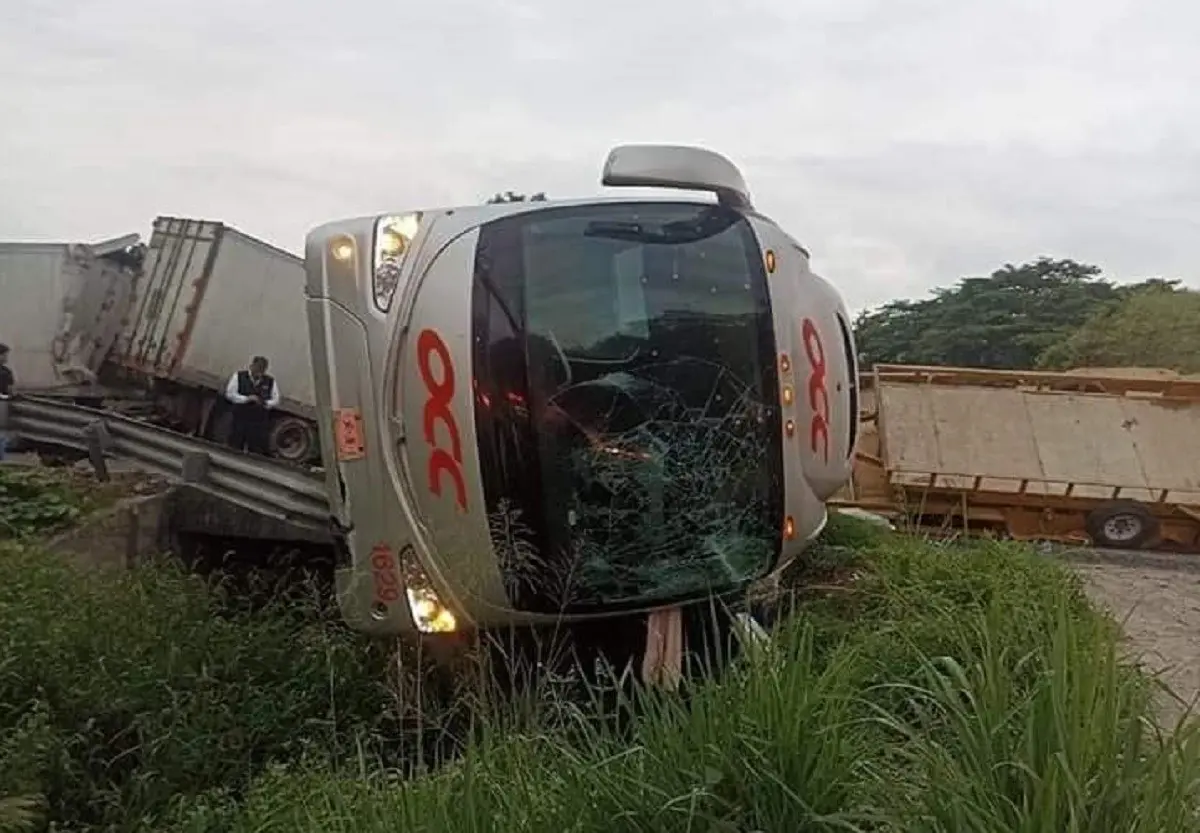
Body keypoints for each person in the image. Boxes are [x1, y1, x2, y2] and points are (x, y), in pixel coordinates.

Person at [225, 355, 279, 456]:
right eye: (258, 367)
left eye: (262, 368)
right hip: (240, 416)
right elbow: (230, 393)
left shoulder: (270, 381)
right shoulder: (239, 376)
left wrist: (265, 403)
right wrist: (246, 399)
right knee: (235, 444)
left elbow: (276, 399)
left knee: (255, 448)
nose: (260, 371)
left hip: (258, 420)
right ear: (252, 366)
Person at [0, 344, 12, 462]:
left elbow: (10, 390)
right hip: (2, 404)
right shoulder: (6, 372)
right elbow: (9, 391)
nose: (6, 357)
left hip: (2, 404)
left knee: (2, 433)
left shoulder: (7, 371)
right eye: (4, 355)